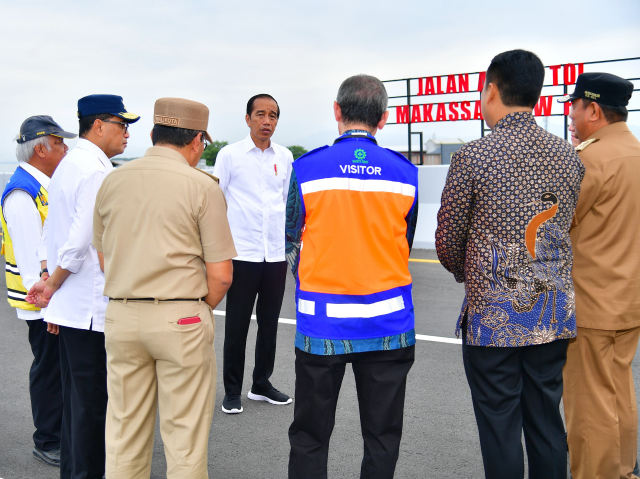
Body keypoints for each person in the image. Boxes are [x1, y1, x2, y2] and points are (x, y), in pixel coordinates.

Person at [435, 50, 584, 479]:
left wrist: (475, 275)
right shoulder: (569, 156)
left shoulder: (473, 157)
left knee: (500, 426)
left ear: (492, 89)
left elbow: (447, 240)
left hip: (493, 319)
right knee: (546, 422)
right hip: (552, 315)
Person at [92, 97, 236, 479]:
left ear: (153, 134)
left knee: (124, 431)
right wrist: (193, 305)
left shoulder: (112, 181)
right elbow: (221, 275)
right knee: (184, 435)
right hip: (182, 315)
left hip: (121, 313)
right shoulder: (202, 187)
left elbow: (105, 258)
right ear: (197, 141)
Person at [286, 74, 419, 479]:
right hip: (388, 325)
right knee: (382, 436)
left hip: (321, 324)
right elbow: (405, 244)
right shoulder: (405, 173)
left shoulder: (306, 168)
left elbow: (292, 241)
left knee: (310, 434)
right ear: (383, 118)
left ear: (337, 111)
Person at [27, 94, 139, 479]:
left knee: (77, 407)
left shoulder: (70, 163)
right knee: (93, 409)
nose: (127, 133)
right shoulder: (95, 170)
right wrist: (53, 284)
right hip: (90, 308)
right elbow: (81, 238)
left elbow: (51, 234)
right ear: (99, 125)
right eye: (122, 125)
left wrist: (49, 282)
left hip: (73, 308)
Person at [558, 72, 640, 479]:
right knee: (619, 394)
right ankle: (623, 471)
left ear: (592, 109)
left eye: (574, 107)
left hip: (591, 304)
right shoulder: (634, 153)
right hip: (629, 300)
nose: (571, 117)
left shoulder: (591, 159)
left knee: (589, 406)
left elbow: (556, 226)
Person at [1, 116, 75, 467]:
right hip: (40, 301)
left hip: (49, 297)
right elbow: (32, 261)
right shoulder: (22, 192)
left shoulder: (42, 184)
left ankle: (60, 433)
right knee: (48, 369)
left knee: (59, 368)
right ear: (41, 148)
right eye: (60, 142)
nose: (65, 148)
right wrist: (48, 305)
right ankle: (47, 440)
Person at [212, 94, 294, 414]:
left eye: (272, 116)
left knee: (270, 324)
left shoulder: (285, 157)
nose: (266, 121)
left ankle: (261, 383)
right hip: (241, 253)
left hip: (274, 255)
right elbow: (216, 202)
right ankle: (232, 390)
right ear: (248, 119)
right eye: (260, 114)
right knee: (237, 325)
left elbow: (289, 204)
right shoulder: (230, 155)